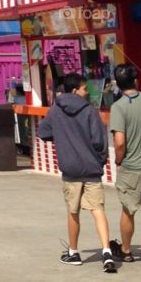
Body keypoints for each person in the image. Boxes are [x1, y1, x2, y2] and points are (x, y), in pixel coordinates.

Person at [37, 71, 116, 271]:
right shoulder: (90, 111)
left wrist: (62, 138)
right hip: (91, 169)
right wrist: (100, 162)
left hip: (70, 169)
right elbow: (99, 141)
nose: (87, 92)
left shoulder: (55, 110)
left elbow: (43, 132)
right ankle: (106, 251)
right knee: (97, 209)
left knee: (73, 211)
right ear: (75, 90)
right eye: (84, 89)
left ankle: (73, 252)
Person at [108, 63, 141, 262]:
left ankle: (127, 251)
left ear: (117, 84)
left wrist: (118, 160)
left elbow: (120, 142)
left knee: (128, 211)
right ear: (136, 81)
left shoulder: (118, 107)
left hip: (132, 168)